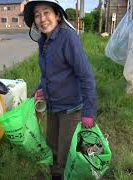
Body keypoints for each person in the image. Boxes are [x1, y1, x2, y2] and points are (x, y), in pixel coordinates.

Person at [23, 0, 97, 179]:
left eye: (46, 12)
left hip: (72, 108)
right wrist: (39, 90)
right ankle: (56, 174)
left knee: (66, 152)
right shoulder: (44, 40)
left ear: (57, 15)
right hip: (53, 106)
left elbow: (86, 76)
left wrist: (89, 112)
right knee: (52, 146)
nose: (42, 19)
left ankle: (64, 175)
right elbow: (49, 73)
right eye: (37, 15)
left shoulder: (68, 38)